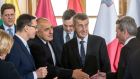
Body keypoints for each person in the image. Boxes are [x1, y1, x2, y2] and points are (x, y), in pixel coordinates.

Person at [61, 13, 111, 79]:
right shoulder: (67, 46)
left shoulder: (99, 42)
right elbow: (65, 71)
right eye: (80, 26)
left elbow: (106, 68)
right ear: (74, 27)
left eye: (86, 25)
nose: (84, 29)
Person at [6, 14, 47, 79]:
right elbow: (11, 77)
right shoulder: (13, 46)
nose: (36, 30)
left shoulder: (25, 43)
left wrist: (37, 73)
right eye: (35, 27)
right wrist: (35, 75)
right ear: (26, 28)